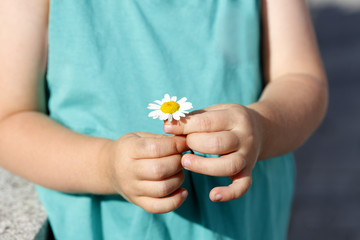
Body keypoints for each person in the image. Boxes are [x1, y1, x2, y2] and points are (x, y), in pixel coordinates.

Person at [0, 0, 328, 239]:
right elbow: (10, 119)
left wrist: (263, 125)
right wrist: (105, 165)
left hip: (246, 225)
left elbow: (303, 79)